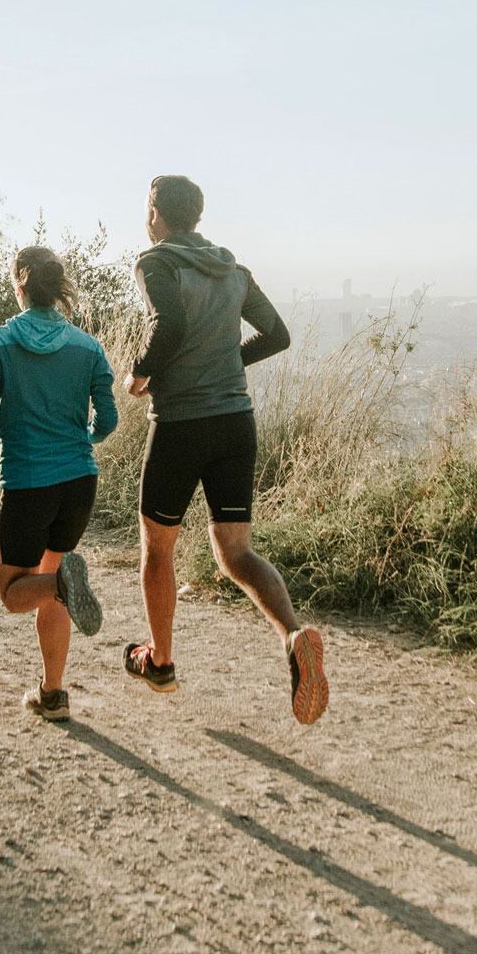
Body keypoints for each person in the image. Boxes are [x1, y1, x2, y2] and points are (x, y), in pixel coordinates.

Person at [122, 175, 328, 725]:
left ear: (157, 214)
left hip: (181, 425)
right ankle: (294, 635)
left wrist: (139, 373)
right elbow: (278, 333)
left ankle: (160, 662)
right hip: (236, 423)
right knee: (236, 554)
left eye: (148, 209)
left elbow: (169, 325)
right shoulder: (234, 271)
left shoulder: (156, 262)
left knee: (158, 549)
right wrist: (227, 363)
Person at [0, 246, 115, 721]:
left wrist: (3, 415)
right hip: (79, 481)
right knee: (54, 579)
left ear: (19, 285)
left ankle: (63, 588)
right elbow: (107, 420)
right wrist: (82, 438)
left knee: (15, 592)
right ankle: (53, 694)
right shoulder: (89, 347)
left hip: (28, 482)